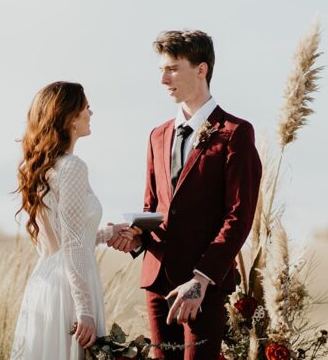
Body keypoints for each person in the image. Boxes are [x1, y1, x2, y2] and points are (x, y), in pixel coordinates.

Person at [110, 30, 263, 360]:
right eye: (161, 70)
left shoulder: (236, 133)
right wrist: (136, 238)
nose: (164, 79)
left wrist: (201, 279)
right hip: (157, 280)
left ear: (201, 69)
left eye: (173, 69)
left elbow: (239, 216)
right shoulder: (157, 135)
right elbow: (153, 208)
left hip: (202, 286)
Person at [10, 81, 127, 359]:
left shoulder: (43, 168)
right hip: (70, 290)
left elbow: (64, 239)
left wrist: (107, 234)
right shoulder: (73, 167)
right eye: (86, 107)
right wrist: (84, 309)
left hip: (47, 281)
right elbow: (73, 244)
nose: (91, 113)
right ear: (70, 118)